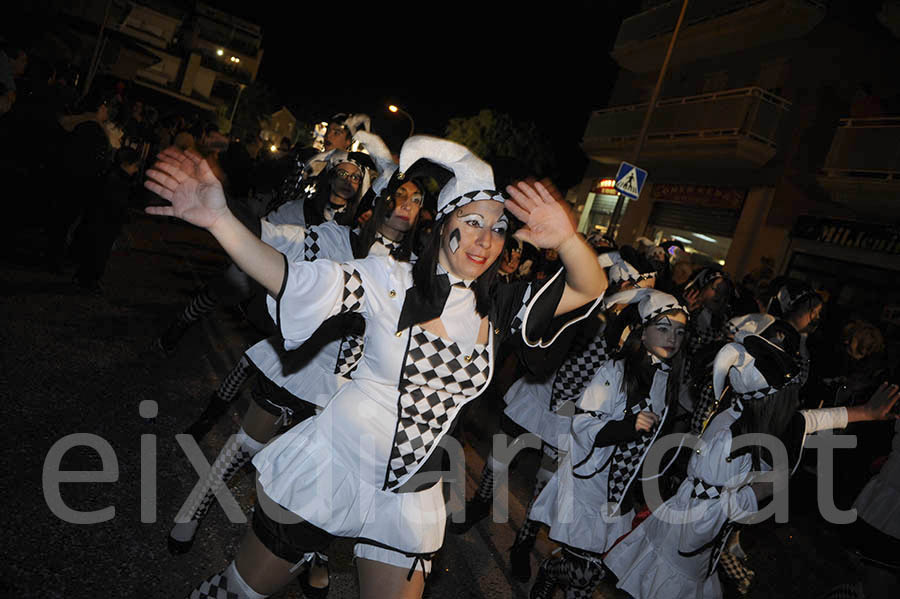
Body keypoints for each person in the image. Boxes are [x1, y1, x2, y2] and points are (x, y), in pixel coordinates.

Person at [144, 135, 607, 599]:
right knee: (239, 594)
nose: (486, 240)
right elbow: (289, 278)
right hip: (335, 462)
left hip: (409, 496)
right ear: (444, 223)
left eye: (498, 227)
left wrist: (567, 238)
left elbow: (589, 286)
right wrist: (221, 220)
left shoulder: (501, 306)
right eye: (472, 222)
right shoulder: (389, 278)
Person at [604, 323, 900, 599]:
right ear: (772, 401)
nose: (795, 402)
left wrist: (864, 412)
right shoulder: (731, 442)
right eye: (790, 396)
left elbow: (805, 420)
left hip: (692, 538)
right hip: (686, 540)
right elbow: (707, 515)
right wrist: (760, 491)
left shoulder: (742, 412)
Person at [528, 287, 689, 599]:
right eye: (664, 328)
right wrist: (626, 427)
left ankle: (556, 572)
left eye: (680, 332)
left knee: (593, 575)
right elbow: (582, 423)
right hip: (589, 484)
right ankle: (550, 570)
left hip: (622, 494)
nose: (673, 337)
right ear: (642, 333)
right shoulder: (614, 370)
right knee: (585, 570)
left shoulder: (668, 380)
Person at [71, 146, 140, 291]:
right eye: (135, 166)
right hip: (104, 224)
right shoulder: (117, 180)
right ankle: (89, 281)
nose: (136, 170)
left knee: (94, 252)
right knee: (98, 254)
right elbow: (114, 204)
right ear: (125, 164)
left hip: (100, 223)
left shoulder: (113, 176)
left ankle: (84, 278)